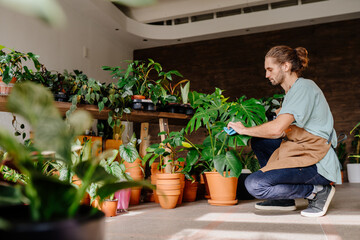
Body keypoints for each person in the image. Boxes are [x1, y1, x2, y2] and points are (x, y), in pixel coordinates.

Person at [227, 45, 342, 217]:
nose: (267, 75)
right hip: (300, 152)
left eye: (270, 69)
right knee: (261, 142)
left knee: (255, 185)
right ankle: (285, 198)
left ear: (285, 66)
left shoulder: (304, 88)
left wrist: (244, 129)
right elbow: (282, 132)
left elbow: (276, 130)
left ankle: (316, 190)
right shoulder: (292, 92)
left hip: (316, 162)